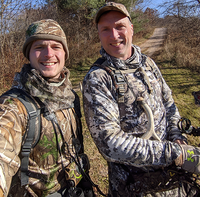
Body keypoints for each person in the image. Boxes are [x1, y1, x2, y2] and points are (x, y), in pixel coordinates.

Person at [82, 2, 200, 196]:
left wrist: (178, 138)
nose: (114, 35)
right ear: (99, 34)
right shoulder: (98, 78)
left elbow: (169, 104)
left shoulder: (148, 64)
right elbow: (110, 144)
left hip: (175, 181)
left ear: (131, 29)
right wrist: (174, 154)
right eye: (105, 29)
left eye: (120, 26)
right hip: (134, 187)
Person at [0, 19, 93, 197]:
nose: (48, 54)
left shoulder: (70, 97)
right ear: (29, 54)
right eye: (39, 47)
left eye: (56, 47)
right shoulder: (13, 107)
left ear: (65, 54)